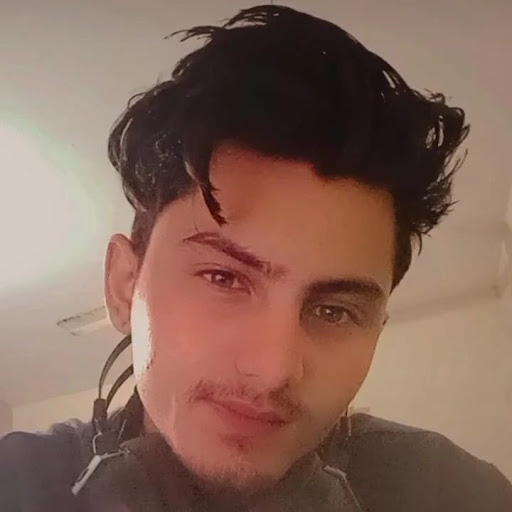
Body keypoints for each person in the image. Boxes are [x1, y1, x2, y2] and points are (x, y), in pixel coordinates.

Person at [1, 4, 511, 511]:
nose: (273, 370)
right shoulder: (17, 483)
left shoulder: (453, 493)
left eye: (334, 311)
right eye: (223, 278)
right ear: (124, 285)